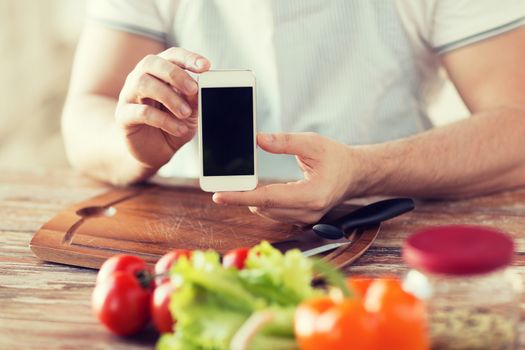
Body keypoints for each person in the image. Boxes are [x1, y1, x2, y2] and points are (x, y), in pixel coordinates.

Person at [63, 0, 525, 225]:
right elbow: (85, 111)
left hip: (379, 225)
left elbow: (517, 125)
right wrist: (132, 147)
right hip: (191, 233)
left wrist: (364, 171)